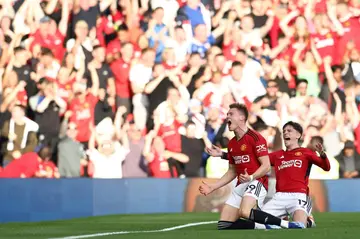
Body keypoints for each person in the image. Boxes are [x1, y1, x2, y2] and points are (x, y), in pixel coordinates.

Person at [208, 121, 330, 229]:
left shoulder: (306, 153)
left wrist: (323, 155)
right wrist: (223, 155)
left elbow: (326, 167)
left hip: (298, 196)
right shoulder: (278, 155)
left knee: (300, 226)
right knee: (261, 221)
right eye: (284, 131)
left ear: (298, 135)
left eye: (289, 131)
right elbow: (252, 159)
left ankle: (308, 221)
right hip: (279, 197)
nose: (285, 134)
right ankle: (283, 220)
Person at [198, 103, 271, 230]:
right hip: (241, 184)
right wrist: (213, 187)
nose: (227, 117)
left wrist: (251, 177)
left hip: (256, 181)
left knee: (245, 212)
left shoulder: (256, 138)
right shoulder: (232, 143)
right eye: (227, 114)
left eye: (231, 114)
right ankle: (267, 226)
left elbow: (266, 166)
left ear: (242, 118)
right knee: (224, 225)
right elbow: (232, 171)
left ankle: (283, 224)